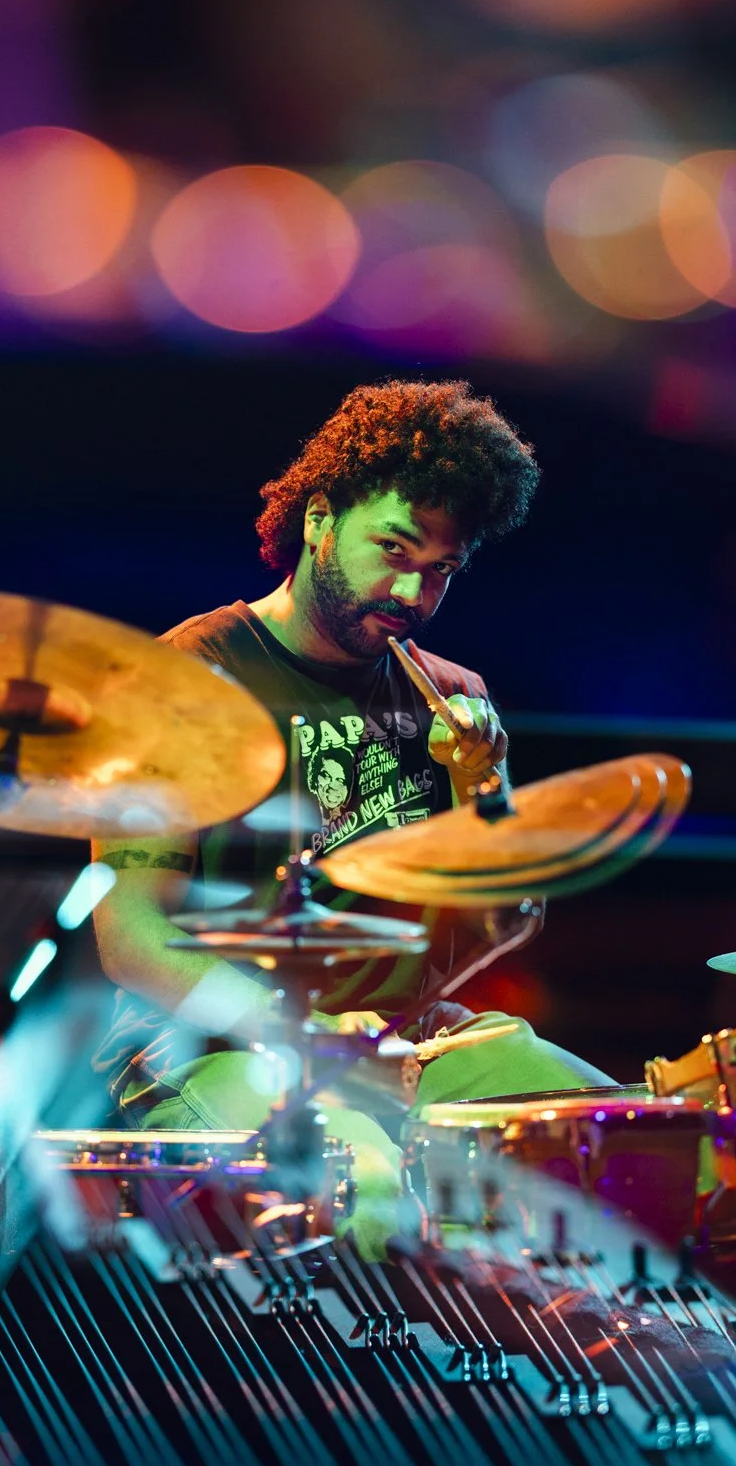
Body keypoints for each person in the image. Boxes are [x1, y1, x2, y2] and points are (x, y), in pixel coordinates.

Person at [90, 379, 611, 1246]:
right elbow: (132, 939)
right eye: (395, 550)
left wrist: (487, 794)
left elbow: (501, 933)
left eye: (441, 570)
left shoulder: (448, 698)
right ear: (319, 518)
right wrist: (310, 1037)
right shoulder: (189, 677)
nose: (411, 592)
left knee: (629, 1148)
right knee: (362, 1189)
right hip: (217, 1047)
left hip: (415, 1050)